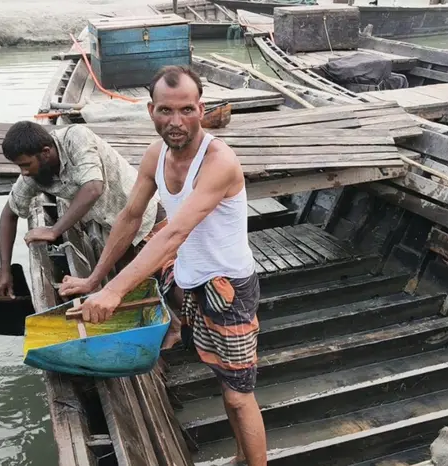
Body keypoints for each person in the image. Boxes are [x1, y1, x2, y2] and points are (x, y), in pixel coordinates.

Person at [59, 65, 267, 466]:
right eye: (166, 110)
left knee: (239, 395)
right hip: (192, 283)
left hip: (229, 290)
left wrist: (114, 291)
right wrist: (94, 279)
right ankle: (243, 456)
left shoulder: (219, 162)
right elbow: (130, 217)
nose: (176, 121)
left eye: (187, 110)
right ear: (151, 110)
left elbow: (174, 234)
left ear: (201, 109)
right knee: (222, 381)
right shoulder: (156, 155)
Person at [0, 121, 164, 297]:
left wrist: (54, 230)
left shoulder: (75, 137)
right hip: (118, 237)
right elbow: (9, 214)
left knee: (169, 284)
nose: (23, 172)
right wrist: (5, 270)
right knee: (134, 293)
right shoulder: (34, 175)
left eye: (26, 165)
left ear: (45, 153)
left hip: (149, 221)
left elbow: (93, 188)